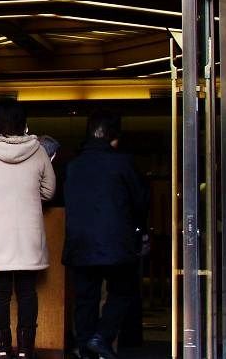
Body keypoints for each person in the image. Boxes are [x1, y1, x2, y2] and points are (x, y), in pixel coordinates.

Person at [0, 99, 55, 359]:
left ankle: (3, 350)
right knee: (27, 292)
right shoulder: (39, 151)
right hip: (29, 233)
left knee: (0, 292)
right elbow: (49, 191)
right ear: (23, 121)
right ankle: (26, 350)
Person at [63, 111, 148, 359]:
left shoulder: (74, 166)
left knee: (85, 298)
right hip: (116, 241)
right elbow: (140, 200)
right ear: (114, 135)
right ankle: (102, 337)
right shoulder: (123, 163)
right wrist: (139, 230)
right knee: (123, 290)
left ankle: (85, 348)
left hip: (79, 241)